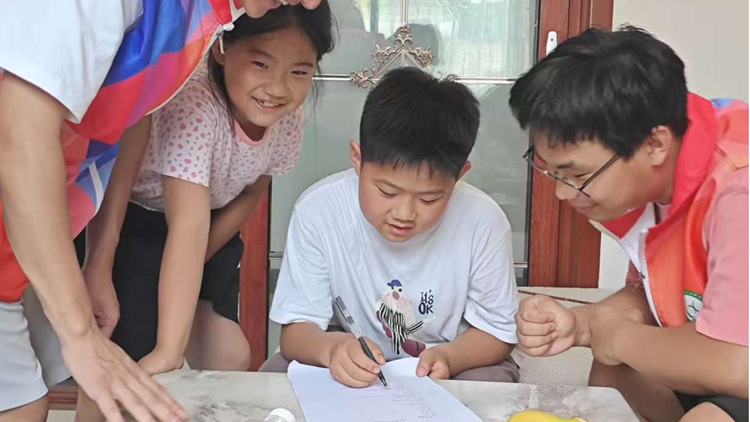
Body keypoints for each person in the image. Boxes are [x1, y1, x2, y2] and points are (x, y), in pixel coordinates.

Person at [0, 0, 321, 421]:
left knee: (217, 353)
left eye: (300, 71)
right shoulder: (190, 90)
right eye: (262, 64)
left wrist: (99, 268)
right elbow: (20, 137)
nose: (312, 2)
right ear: (225, 53)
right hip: (122, 228)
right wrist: (83, 329)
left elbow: (131, 126)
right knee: (95, 373)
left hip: (43, 244)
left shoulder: (195, 25)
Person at [509, 26, 748, 422]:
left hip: (739, 369)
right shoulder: (662, 176)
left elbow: (738, 364)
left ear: (655, 145)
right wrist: (580, 325)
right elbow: (650, 296)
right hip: (722, 366)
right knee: (615, 370)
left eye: (577, 174)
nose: (563, 193)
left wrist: (619, 337)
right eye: (551, 172)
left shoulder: (738, 190)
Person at [261, 67, 520, 387]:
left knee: (492, 380)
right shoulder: (318, 210)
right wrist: (332, 349)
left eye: (428, 199)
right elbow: (296, 333)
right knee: (276, 376)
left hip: (450, 356)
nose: (404, 214)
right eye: (387, 192)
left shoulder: (483, 221)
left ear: (460, 175)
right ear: (357, 158)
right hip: (350, 352)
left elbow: (498, 333)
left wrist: (450, 358)